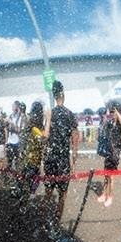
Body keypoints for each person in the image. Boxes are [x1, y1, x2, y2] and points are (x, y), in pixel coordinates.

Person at [42, 81, 78, 225]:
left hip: (51, 159)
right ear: (63, 95)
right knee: (63, 194)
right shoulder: (70, 114)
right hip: (63, 160)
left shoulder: (50, 113)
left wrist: (48, 119)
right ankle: (56, 222)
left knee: (48, 192)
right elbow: (75, 139)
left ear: (54, 95)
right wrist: (74, 161)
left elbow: (45, 137)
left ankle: (44, 220)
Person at [100, 101, 121, 207]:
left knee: (111, 176)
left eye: (114, 112)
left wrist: (117, 113)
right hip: (108, 152)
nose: (112, 114)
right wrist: (106, 119)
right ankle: (104, 194)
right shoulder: (110, 124)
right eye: (111, 112)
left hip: (115, 154)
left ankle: (110, 196)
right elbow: (103, 130)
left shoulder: (119, 125)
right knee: (106, 174)